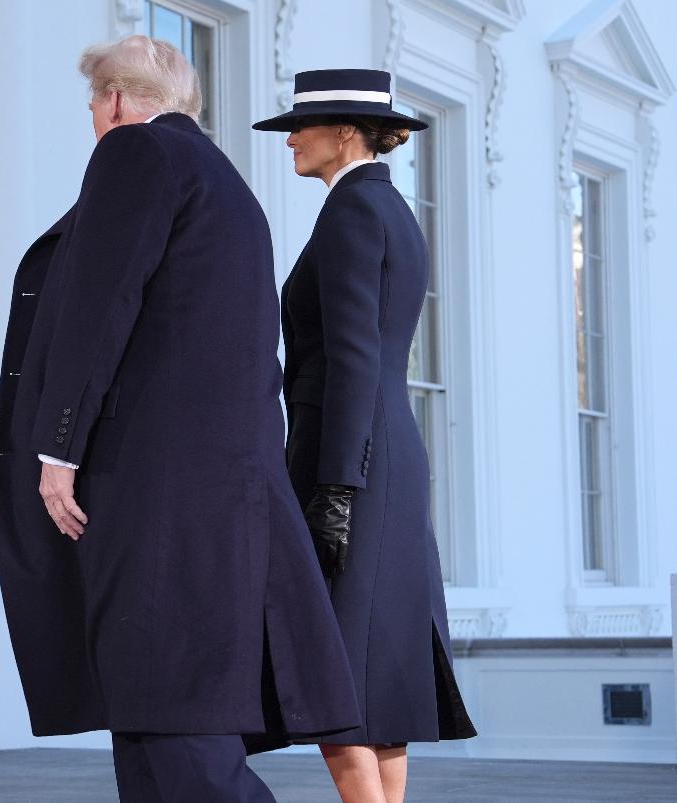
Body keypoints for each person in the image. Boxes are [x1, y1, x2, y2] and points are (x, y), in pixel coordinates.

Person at [0, 36, 360, 802]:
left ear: (119, 101)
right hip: (215, 501)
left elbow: (101, 307)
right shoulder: (227, 184)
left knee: (177, 734)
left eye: (94, 102)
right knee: (154, 729)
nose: (93, 118)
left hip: (156, 502)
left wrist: (56, 448)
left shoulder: (137, 156)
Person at [252, 69, 477, 803]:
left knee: (337, 675)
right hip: (385, 458)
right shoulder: (390, 208)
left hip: (353, 464)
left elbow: (352, 356)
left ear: (345, 131)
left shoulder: (351, 212)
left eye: (301, 126)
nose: (290, 139)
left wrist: (336, 489)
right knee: (376, 683)